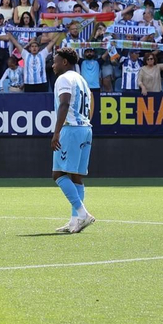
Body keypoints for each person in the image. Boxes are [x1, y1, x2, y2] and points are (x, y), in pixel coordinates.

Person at [49, 47, 96, 234]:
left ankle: (82, 213)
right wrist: (86, 121)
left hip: (71, 129)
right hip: (86, 129)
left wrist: (56, 132)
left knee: (58, 174)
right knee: (76, 175)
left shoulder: (64, 78)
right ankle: (75, 221)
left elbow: (65, 103)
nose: (53, 65)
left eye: (55, 61)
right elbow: (92, 100)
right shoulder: (82, 79)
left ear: (65, 62)